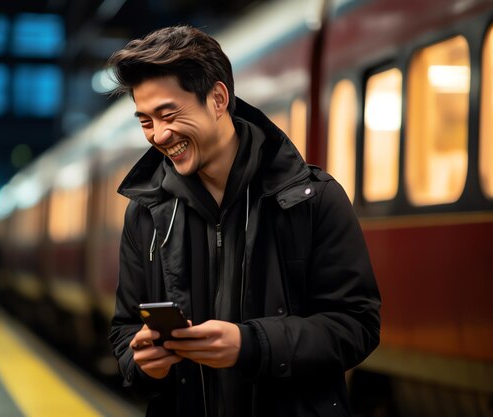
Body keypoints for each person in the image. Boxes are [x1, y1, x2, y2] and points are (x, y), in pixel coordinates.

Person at [107, 25, 381, 417]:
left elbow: (357, 326)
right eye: (145, 121)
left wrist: (252, 345)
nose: (159, 135)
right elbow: (125, 331)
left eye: (168, 114)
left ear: (218, 99)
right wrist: (143, 363)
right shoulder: (145, 213)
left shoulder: (312, 199)